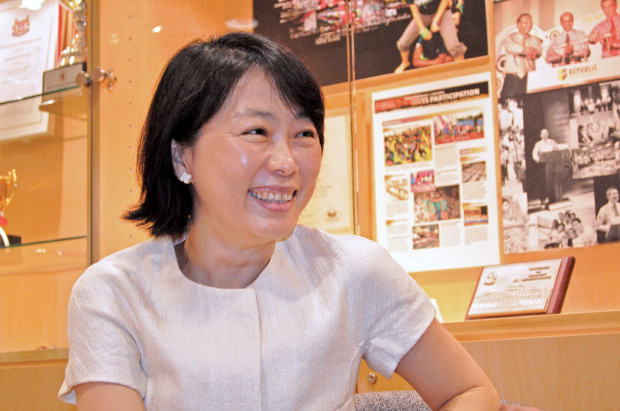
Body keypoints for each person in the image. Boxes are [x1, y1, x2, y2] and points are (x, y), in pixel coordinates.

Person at [57, 32, 507, 410]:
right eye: (257, 132)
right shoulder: (112, 293)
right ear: (181, 155)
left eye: (304, 135)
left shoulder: (352, 269)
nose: (287, 162)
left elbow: (469, 392)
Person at [394, 0, 466, 73]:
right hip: (423, 16)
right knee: (402, 43)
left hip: (442, 12)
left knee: (453, 46)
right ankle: (405, 62)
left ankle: (463, 69)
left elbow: (445, 1)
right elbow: (415, 11)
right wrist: (422, 30)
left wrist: (435, 21)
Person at [500, 13, 542, 99]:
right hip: (513, 77)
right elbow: (510, 48)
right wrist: (525, 50)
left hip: (529, 77)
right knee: (508, 102)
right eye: (526, 23)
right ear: (518, 25)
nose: (529, 25)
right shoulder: (510, 38)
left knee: (530, 103)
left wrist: (534, 54)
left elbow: (538, 51)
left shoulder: (534, 39)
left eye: (531, 23)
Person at [532, 128, 560, 207]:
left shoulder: (552, 141)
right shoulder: (538, 144)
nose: (545, 135)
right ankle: (543, 199)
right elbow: (534, 153)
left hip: (551, 164)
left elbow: (557, 148)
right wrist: (537, 159)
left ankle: (552, 198)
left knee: (551, 181)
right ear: (540, 135)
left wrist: (555, 148)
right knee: (543, 182)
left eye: (546, 133)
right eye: (543, 133)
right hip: (542, 165)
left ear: (548, 134)